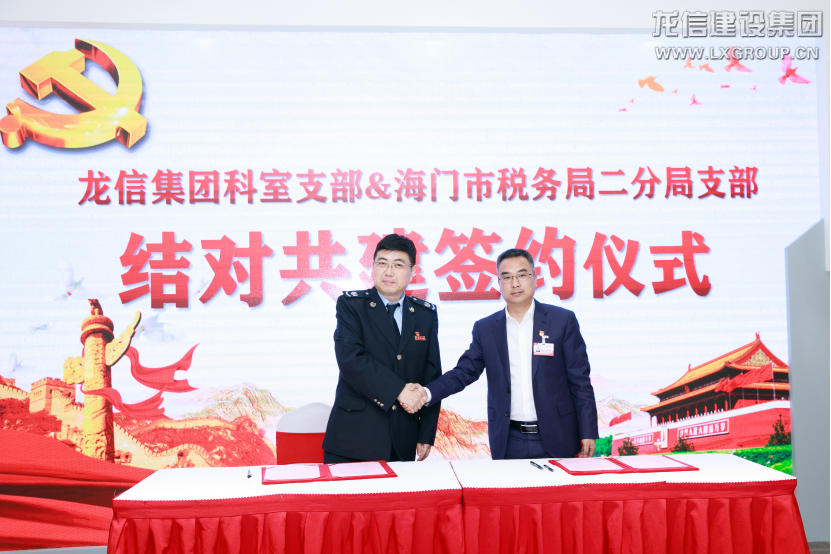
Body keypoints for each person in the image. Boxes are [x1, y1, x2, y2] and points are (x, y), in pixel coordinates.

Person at [408, 248, 598, 459]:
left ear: (535, 278)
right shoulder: (486, 328)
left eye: (522, 275)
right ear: (499, 283)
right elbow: (463, 373)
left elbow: (580, 381)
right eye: (507, 277)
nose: (515, 283)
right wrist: (426, 393)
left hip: (559, 434)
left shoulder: (562, 321)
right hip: (509, 439)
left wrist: (588, 431)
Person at [322, 234, 440, 463]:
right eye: (382, 263)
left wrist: (426, 431)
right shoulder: (352, 306)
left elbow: (432, 373)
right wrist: (399, 390)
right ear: (373, 267)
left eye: (398, 265)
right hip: (353, 438)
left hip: (403, 437)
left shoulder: (425, 314)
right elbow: (351, 361)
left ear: (413, 272)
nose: (388, 272)